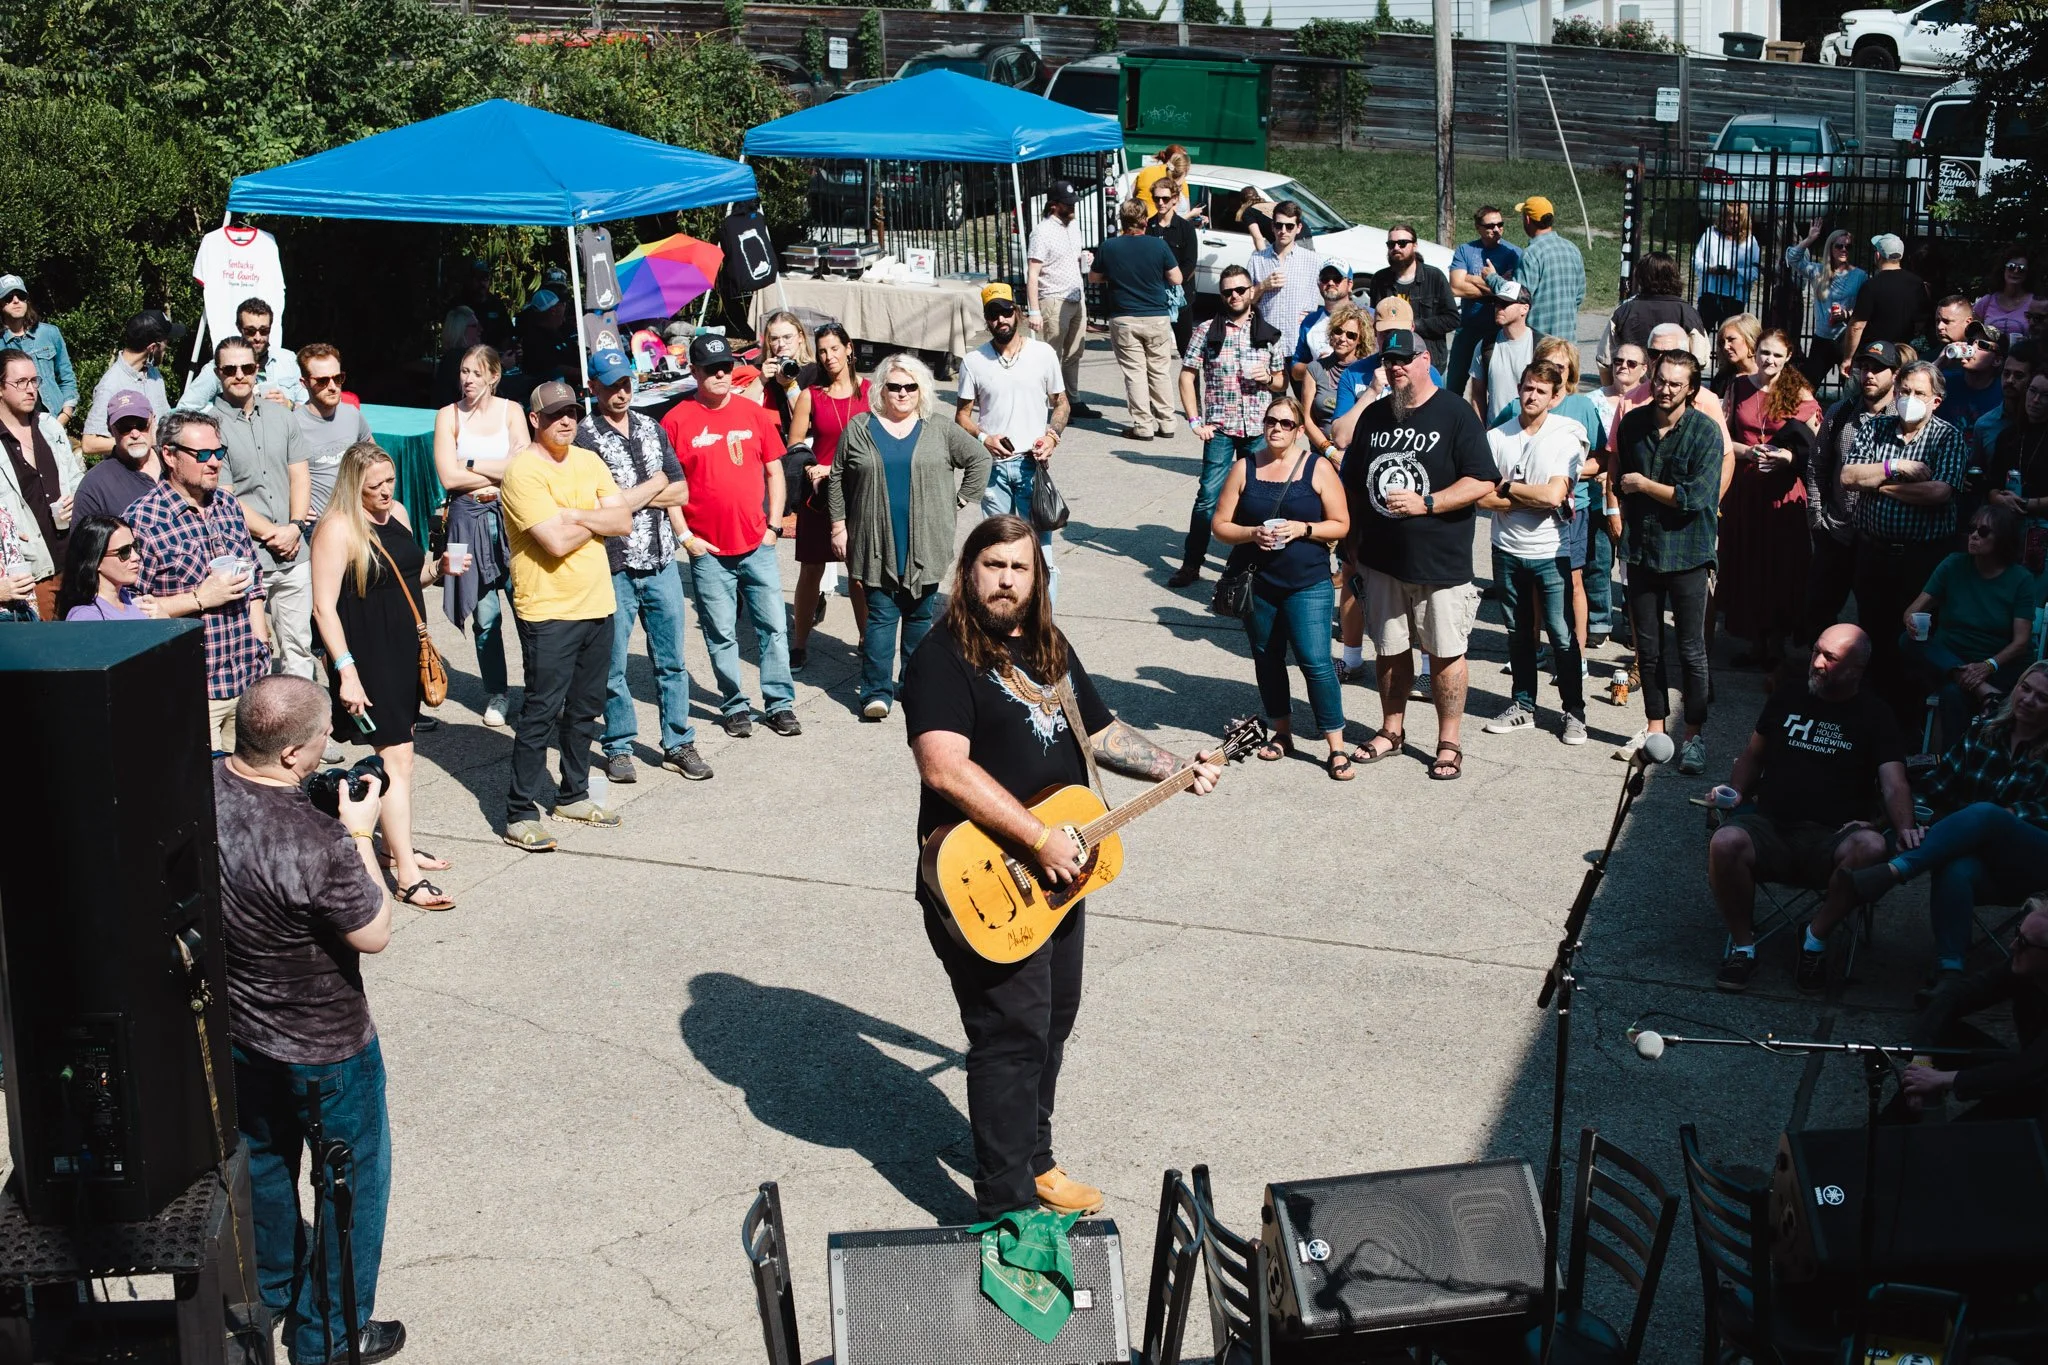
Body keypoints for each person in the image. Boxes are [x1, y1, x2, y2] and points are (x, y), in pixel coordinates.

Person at [900, 514, 1223, 1220]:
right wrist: (1039, 836)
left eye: (1020, 567)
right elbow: (944, 767)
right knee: (1008, 1032)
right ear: (969, 571)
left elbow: (1100, 732)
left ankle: (1034, 1159)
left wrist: (1178, 768)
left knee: (1053, 1021)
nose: (1006, 580)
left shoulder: (1048, 647)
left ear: (1038, 575)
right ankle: (1007, 1206)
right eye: (993, 566)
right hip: (983, 874)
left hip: (1058, 874)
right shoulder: (941, 656)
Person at [212, 674, 405, 1365]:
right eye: (324, 736)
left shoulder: (202, 787)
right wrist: (357, 832)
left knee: (262, 1170)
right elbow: (374, 930)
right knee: (350, 1195)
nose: (331, 746)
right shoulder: (315, 842)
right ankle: (330, 1336)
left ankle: (272, 1295)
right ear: (294, 752)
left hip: (239, 1034)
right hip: (327, 1049)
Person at [1702, 624, 1913, 993]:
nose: (1816, 662)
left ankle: (1813, 939)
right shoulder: (1789, 696)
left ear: (1857, 669)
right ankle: (1743, 946)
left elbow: (1895, 782)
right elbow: (1754, 754)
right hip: (1771, 827)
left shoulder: (1876, 715)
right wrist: (1734, 792)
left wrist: (1905, 827)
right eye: (1817, 651)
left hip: (1834, 839)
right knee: (1725, 841)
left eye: (1830, 658)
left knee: (1873, 847)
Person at [1339, 328, 1496, 780]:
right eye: (1389, 362)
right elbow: (1350, 481)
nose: (1396, 368)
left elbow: (1483, 480)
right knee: (1389, 651)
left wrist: (1428, 502)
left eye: (1404, 360)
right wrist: (1350, 545)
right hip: (1381, 559)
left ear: (1426, 360)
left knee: (1445, 653)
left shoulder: (1455, 413)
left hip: (1440, 562)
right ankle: (1392, 731)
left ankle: (1449, 742)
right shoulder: (1374, 415)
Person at [310, 443, 459, 909]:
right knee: (398, 761)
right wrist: (345, 670)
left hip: (405, 653)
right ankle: (407, 876)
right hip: (366, 658)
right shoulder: (336, 528)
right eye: (372, 486)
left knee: (403, 757)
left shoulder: (397, 511)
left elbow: (407, 579)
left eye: (388, 482)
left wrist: (438, 569)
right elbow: (323, 607)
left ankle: (396, 848)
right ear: (352, 485)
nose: (383, 492)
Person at [499, 381, 644, 851]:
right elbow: (554, 543)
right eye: (556, 413)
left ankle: (573, 795)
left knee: (585, 709)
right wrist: (592, 517)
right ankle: (519, 813)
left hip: (597, 603)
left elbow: (622, 521)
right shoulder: (522, 473)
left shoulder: (587, 459)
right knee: (541, 710)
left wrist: (571, 515)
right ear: (534, 419)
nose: (567, 421)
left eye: (574, 413)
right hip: (548, 610)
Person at [1850, 663, 2048, 980]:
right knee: (1954, 867)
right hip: (1978, 856)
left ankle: (1898, 869)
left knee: (1987, 813)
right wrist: (1914, 824)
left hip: (2034, 861)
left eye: (2043, 698)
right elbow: (1935, 787)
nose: (2028, 700)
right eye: (2026, 688)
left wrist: (2008, 817)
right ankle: (1950, 973)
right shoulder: (1985, 731)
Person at [832, 353, 989, 720]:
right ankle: (876, 692)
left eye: (910, 387)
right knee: (881, 619)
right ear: (881, 390)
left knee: (920, 620)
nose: (902, 393)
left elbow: (980, 459)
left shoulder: (938, 427)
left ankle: (915, 685)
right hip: (875, 541)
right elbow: (838, 477)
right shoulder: (859, 427)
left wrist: (961, 499)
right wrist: (838, 524)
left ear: (921, 390)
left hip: (926, 540)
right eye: (894, 386)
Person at [578, 349, 709, 785]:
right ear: (593, 388)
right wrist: (653, 486)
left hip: (660, 560)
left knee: (672, 660)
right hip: (613, 565)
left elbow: (681, 493)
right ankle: (618, 744)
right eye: (612, 385)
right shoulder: (583, 439)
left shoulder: (652, 428)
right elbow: (597, 504)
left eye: (627, 383)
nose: (621, 392)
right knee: (612, 665)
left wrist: (630, 496)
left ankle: (678, 742)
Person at [661, 334, 800, 740]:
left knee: (773, 626)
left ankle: (780, 703)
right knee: (720, 632)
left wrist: (774, 525)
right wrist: (686, 537)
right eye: (710, 369)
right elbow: (669, 486)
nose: (720, 374)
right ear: (694, 372)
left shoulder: (752, 413)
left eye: (725, 367)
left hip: (757, 542)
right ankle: (735, 704)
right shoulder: (676, 420)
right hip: (708, 549)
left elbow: (775, 470)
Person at [1211, 395, 1352, 775]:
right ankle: (1281, 733)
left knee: (1315, 662)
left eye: (1286, 424)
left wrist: (1302, 529)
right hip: (1258, 582)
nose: (1276, 428)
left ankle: (1336, 747)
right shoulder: (1245, 468)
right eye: (1271, 421)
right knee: (1267, 658)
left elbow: (1341, 524)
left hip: (1308, 583)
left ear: (1299, 431)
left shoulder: (1317, 468)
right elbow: (1220, 525)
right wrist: (1251, 533)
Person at [1839, 359, 1971, 728]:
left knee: (1913, 640)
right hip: (1873, 552)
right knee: (1871, 635)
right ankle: (1869, 716)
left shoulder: (1947, 436)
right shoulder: (1875, 428)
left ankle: (1909, 724)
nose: (1910, 399)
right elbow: (1849, 475)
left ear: (1936, 401)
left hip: (1921, 559)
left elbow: (1938, 492)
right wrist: (1894, 467)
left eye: (1919, 394)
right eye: (1905, 392)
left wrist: (1878, 484)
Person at [130, 409, 269, 752]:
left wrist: (261, 645)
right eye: (202, 455)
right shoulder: (142, 521)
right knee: (198, 798)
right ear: (169, 455)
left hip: (247, 680)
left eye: (218, 452)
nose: (214, 463)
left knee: (249, 795)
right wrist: (199, 598)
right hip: (193, 689)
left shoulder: (228, 506)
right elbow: (129, 611)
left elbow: (254, 583)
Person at [1614, 351, 1723, 775]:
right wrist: (1622, 504)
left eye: (1676, 384)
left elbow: (1695, 497)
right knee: (1649, 650)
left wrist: (1644, 485)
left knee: (1692, 650)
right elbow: (1619, 478)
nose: (1665, 389)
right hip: (1642, 550)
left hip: (1689, 553)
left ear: (1691, 389)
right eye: (1660, 380)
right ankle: (1655, 731)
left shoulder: (1705, 432)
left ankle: (1693, 737)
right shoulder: (1633, 424)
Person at [1479, 360, 1590, 744]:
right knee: (1518, 633)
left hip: (1551, 552)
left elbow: (1554, 495)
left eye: (1541, 390)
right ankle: (1523, 705)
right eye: (1527, 387)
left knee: (1561, 634)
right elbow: (1481, 497)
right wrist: (1528, 498)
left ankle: (1574, 711)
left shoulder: (1566, 433)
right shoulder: (1497, 437)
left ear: (1556, 397)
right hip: (1506, 549)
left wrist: (1507, 488)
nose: (1532, 395)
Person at [205, 335, 314, 679]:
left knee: (299, 647)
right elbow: (224, 496)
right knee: (253, 650)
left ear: (258, 370)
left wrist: (295, 527)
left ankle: (302, 727)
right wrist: (274, 534)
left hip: (295, 552)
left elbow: (300, 476)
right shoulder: (208, 428)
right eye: (230, 369)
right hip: (245, 557)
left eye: (247, 367)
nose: (239, 375)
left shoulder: (283, 417)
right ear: (217, 372)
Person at [1172, 266, 1288, 587]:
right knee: (1208, 497)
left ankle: (1256, 566)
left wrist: (1269, 378)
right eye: (1228, 291)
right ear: (1222, 295)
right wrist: (1195, 420)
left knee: (1260, 499)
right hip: (1220, 427)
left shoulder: (1268, 332)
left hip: (1257, 429)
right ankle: (1192, 563)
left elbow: (1281, 381)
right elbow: (1186, 375)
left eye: (1240, 289)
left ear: (1251, 291)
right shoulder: (1206, 331)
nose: (1234, 295)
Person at [957, 284, 1068, 601]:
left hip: (1033, 467)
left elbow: (1061, 404)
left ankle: (1043, 627)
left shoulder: (1042, 353)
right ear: (986, 320)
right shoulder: (973, 362)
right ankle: (1001, 619)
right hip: (993, 471)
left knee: (1041, 552)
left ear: (1017, 312)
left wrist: (1052, 436)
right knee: (997, 553)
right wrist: (983, 437)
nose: (1001, 319)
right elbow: (962, 415)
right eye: (994, 314)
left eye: (1006, 311)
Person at [432, 345, 522, 728]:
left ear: (493, 376)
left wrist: (469, 463)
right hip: (467, 520)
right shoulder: (448, 415)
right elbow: (448, 478)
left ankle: (539, 690)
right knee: (486, 617)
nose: (467, 379)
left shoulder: (511, 411)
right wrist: (495, 472)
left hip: (511, 518)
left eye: (475, 373)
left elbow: (522, 465)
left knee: (529, 610)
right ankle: (498, 692)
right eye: (463, 372)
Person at [1721, 327, 1821, 665]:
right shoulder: (1737, 387)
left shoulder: (1800, 392)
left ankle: (1778, 640)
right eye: (1765, 352)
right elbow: (1722, 437)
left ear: (1788, 357)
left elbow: (1814, 445)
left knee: (1782, 565)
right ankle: (1755, 641)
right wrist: (1748, 453)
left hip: (1783, 490)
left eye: (1778, 354)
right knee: (1748, 563)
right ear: (1755, 351)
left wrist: (1788, 458)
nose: (1770, 360)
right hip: (1747, 487)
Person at [1902, 896, 2048, 1123]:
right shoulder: (2023, 967)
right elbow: (1955, 997)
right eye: (2017, 933)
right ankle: (1895, 1126)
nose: (2013, 946)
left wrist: (1943, 1079)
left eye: (2024, 942)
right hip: (2026, 1069)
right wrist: (1922, 1058)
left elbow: (2029, 1068)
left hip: (2037, 1083)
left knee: (1962, 1134)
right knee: (1942, 1030)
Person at [1902, 503, 2036, 742]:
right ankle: (1982, 691)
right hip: (1952, 658)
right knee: (1906, 640)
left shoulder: (2020, 579)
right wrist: (1911, 620)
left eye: (1983, 532)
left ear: (2003, 539)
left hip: (1997, 665)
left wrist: (1988, 666)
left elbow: (2021, 642)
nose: (1974, 535)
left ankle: (1957, 763)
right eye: (1972, 528)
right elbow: (1914, 609)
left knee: (1953, 693)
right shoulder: (1953, 564)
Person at [1805, 340, 1899, 636]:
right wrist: (1817, 517)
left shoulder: (1904, 418)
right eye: (1865, 367)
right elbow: (1817, 466)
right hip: (1837, 530)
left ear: (1895, 374)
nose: (1869, 375)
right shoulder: (1841, 412)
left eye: (1879, 369)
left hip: (1878, 536)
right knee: (1819, 611)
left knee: (1877, 615)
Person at [790, 322, 868, 667]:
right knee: (811, 569)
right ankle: (800, 642)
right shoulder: (811, 395)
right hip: (820, 496)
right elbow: (794, 447)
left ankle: (869, 642)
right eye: (822, 350)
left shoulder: (872, 392)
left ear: (849, 348)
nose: (828, 356)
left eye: (834, 348)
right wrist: (810, 467)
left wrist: (836, 465)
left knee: (861, 573)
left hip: (862, 492)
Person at [1089, 199, 1183, 442]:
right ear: (1144, 220)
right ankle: (1167, 421)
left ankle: (1143, 425)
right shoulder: (1158, 246)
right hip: (1156, 315)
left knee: (1135, 373)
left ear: (1122, 220)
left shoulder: (1110, 247)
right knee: (1160, 370)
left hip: (1124, 316)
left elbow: (1094, 277)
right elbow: (1176, 278)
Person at [0, 349, 82, 618]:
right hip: (30, 571)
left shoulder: (49, 427)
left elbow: (75, 480)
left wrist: (74, 501)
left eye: (34, 381)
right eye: (20, 382)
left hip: (71, 559)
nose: (30, 389)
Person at [1026, 181, 1093, 415]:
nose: (1072, 208)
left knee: (1075, 352)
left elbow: (1072, 257)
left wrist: (1084, 258)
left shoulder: (1073, 227)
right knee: (1051, 355)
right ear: (1054, 206)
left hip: (1076, 296)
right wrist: (1034, 310)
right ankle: (1052, 404)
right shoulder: (1042, 232)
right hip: (1053, 298)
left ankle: (1072, 400)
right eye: (1068, 204)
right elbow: (1033, 272)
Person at [1594, 252, 1707, 384]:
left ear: (1641, 277)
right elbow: (1700, 359)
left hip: (1631, 390)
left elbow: (1604, 359)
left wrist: (1609, 392)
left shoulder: (1624, 310)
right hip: (1673, 389)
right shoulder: (1687, 312)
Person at [1446, 206, 1521, 399]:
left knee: (1495, 388)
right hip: (1468, 329)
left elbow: (1512, 291)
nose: (1496, 229)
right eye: (1490, 225)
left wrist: (1471, 278)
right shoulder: (1466, 250)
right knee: (1453, 385)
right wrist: (1495, 282)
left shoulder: (1514, 253)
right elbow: (1455, 286)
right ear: (1478, 227)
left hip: (1498, 330)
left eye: (1500, 224)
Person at [181, 297, 306, 410]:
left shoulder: (288, 360)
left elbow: (309, 409)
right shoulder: (222, 365)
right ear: (239, 328)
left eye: (264, 330)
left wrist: (289, 405)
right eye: (251, 331)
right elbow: (185, 408)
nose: (258, 337)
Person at [81, 310, 177, 457]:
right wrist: (139, 441)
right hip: (129, 476)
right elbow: (89, 444)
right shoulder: (111, 385)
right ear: (152, 348)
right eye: (166, 343)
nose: (167, 349)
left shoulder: (154, 374)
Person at [295, 344, 371, 524]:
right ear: (304, 383)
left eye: (338, 378)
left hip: (357, 519)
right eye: (322, 381)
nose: (332, 387)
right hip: (317, 525)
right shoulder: (293, 425)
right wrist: (296, 510)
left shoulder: (352, 414)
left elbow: (374, 459)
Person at [1368, 223, 1459, 371]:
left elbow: (1452, 319)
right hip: (1392, 360)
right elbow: (1374, 320)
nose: (1396, 248)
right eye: (1391, 244)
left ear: (1415, 246)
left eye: (1402, 243)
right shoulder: (1380, 279)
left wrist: (1413, 326)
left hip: (1429, 362)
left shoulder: (1434, 277)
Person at [1784, 223, 1868, 383]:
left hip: (1846, 338)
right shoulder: (1818, 271)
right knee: (1807, 386)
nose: (1844, 250)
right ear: (1830, 248)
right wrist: (1810, 239)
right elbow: (1792, 258)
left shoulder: (1860, 276)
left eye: (1848, 247)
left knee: (1850, 387)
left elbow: (1864, 308)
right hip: (1822, 337)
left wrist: (1847, 314)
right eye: (1839, 246)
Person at [1839, 233, 1930, 376]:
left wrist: (1848, 358)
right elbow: (1921, 322)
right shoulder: (1917, 283)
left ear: (1877, 255)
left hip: (1874, 356)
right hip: (1904, 355)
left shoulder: (1871, 286)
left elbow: (1857, 326)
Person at [1989, 366, 2048, 576]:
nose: (2035, 400)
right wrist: (1998, 498)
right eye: (2032, 391)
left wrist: (2028, 504)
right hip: (2006, 527)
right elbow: (1991, 485)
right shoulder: (2009, 436)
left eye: (2045, 396)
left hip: (2042, 529)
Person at [0, 273, 77, 426]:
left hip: (54, 420)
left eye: (21, 296)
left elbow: (67, 376)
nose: (16, 301)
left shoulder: (49, 333)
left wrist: (66, 414)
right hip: (15, 426)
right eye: (8, 297)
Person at [1474, 279, 1550, 423]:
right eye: (1496, 303)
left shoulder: (1541, 346)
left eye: (1505, 304)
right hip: (1495, 432)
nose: (1499, 308)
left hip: (1531, 431)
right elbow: (1477, 395)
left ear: (1524, 309)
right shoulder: (1485, 345)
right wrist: (1480, 432)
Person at [1514, 196, 1585, 346]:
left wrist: (1494, 278)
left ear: (1527, 219)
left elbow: (1520, 299)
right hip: (1567, 343)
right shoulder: (1572, 248)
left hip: (1539, 343)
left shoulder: (1531, 254)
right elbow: (1579, 296)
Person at [56, 514, 156, 620]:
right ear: (96, 560)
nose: (136, 557)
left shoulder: (125, 597)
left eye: (135, 546)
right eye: (124, 551)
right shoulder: (87, 617)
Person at [1299, 303, 1367, 460]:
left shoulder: (1366, 371)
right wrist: (1330, 452)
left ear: (1360, 340)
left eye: (1351, 335)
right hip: (1322, 452)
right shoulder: (1315, 369)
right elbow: (1307, 419)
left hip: (1357, 453)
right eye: (1338, 331)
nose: (1343, 339)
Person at [1248, 200, 1322, 342]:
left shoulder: (1313, 261)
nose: (1283, 231)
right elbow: (1246, 300)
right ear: (1272, 226)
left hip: (1298, 341)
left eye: (1289, 226)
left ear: (1298, 228)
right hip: (1266, 339)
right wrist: (1263, 286)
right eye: (1278, 225)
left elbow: (1330, 299)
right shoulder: (1257, 259)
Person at [1147, 176, 1201, 356]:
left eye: (1165, 198)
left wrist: (1173, 282)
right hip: (1154, 298)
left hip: (1181, 297)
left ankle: (1192, 385)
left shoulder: (1186, 228)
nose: (1160, 203)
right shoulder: (1148, 226)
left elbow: (1190, 263)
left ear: (1175, 199)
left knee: (1186, 350)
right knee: (1154, 351)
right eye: (1156, 199)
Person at [1288, 263, 1364, 386]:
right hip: (1321, 399)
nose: (1330, 282)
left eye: (1337, 278)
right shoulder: (1310, 321)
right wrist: (1318, 366)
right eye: (1325, 278)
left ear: (1350, 284)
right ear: (1319, 284)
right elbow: (1295, 371)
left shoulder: (1366, 317)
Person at [1693, 203, 1760, 332]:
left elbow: (1755, 270)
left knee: (1728, 335)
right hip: (1710, 292)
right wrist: (1710, 269)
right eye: (1729, 220)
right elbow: (1697, 261)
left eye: (1736, 221)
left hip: (1734, 296)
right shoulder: (1711, 234)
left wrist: (1736, 272)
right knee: (1701, 334)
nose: (1732, 223)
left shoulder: (1750, 241)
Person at [1936, 314, 2006, 432]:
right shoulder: (1945, 381)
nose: (1973, 347)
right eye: (1971, 341)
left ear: (1997, 360)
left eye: (1982, 345)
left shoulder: (2003, 394)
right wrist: (1939, 362)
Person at [757, 309, 817, 442]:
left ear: (800, 337)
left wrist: (789, 385)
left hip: (803, 442)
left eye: (787, 337)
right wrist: (760, 380)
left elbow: (808, 423)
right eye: (774, 339)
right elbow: (741, 408)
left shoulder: (814, 371)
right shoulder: (763, 369)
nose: (781, 344)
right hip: (768, 439)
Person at [1975, 248, 2033, 339]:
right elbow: (1972, 333)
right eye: (2011, 267)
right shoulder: (1987, 301)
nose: (2015, 271)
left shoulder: (2034, 304)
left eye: (2021, 269)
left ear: (2028, 273)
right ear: (2003, 269)